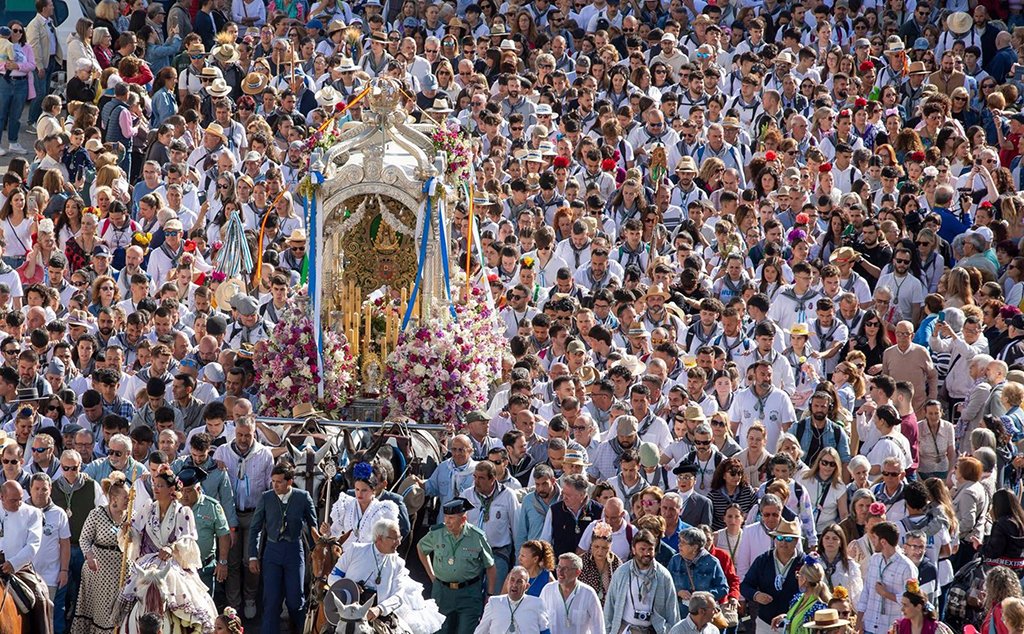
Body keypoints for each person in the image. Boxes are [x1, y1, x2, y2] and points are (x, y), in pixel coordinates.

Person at [115, 465, 217, 632]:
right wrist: (127, 532)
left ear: (171, 489)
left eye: (160, 485)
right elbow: (135, 530)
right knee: (127, 598)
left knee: (194, 602)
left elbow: (188, 538)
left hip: (172, 564)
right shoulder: (148, 507)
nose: (156, 488)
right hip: (148, 562)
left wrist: (172, 548)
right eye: (155, 484)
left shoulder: (182, 512)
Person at [327, 518, 445, 634]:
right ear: (379, 538)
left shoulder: (398, 563)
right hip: (348, 609)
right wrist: (350, 586)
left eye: (399, 538)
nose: (399, 542)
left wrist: (379, 609)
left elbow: (398, 595)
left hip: (378, 612)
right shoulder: (355, 550)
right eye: (394, 538)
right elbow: (333, 577)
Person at [248, 463, 318, 634]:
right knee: (271, 601)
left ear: (290, 482)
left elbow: (312, 527)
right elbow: (255, 528)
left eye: (279, 482)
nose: (275, 485)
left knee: (296, 600)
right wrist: (253, 556)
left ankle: (302, 631)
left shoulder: (303, 497)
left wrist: (316, 553)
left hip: (294, 551)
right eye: (273, 481)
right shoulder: (266, 498)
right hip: (272, 552)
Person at [417, 497, 497, 634]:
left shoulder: (477, 537)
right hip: (442, 593)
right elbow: (421, 548)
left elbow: (490, 566)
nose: (447, 521)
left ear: (463, 519)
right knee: (440, 630)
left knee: (466, 631)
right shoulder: (437, 533)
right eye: (446, 517)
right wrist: (432, 575)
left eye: (452, 518)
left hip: (469, 594)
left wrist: (489, 594)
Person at [70, 471, 128, 634]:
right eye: (126, 498)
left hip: (122, 571)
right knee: (102, 612)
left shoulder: (132, 517)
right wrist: (89, 557)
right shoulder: (97, 514)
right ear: (114, 498)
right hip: (99, 571)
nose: (129, 501)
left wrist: (130, 533)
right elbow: (84, 539)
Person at [604, 530, 680, 633]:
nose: (647, 553)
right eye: (642, 549)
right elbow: (610, 606)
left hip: (654, 630)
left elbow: (672, 610)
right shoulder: (622, 572)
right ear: (634, 550)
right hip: (626, 629)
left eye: (650, 549)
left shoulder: (663, 575)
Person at [740, 518, 804, 634]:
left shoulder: (804, 562)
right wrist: (756, 595)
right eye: (779, 538)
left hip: (795, 623)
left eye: (789, 539)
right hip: (765, 622)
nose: (783, 542)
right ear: (775, 540)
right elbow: (745, 586)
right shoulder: (763, 560)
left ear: (796, 541)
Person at [855, 522, 918, 634]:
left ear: (883, 542)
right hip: (869, 625)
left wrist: (886, 594)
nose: (872, 541)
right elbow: (866, 591)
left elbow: (911, 599)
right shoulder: (874, 559)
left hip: (891, 628)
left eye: (874, 538)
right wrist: (859, 620)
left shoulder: (907, 567)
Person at [326, 460, 399, 544]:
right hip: (347, 554)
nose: (359, 494)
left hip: (371, 555)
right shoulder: (345, 505)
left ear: (373, 490)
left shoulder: (383, 510)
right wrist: (328, 532)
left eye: (364, 490)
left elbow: (390, 539)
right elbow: (335, 534)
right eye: (357, 489)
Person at [539, 552, 605, 634]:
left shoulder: (588, 593)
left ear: (577, 572)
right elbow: (539, 620)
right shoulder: (548, 589)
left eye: (565, 568)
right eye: (559, 567)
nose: (560, 572)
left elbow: (598, 626)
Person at [476, 565, 550, 634]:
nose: (514, 585)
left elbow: (545, 630)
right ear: (507, 583)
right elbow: (481, 631)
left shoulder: (537, 604)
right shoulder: (494, 603)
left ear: (527, 587)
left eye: (519, 582)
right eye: (512, 580)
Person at [771, 558, 832, 634]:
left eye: (798, 575)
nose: (797, 579)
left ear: (804, 579)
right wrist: (785, 617)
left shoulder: (819, 607)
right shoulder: (799, 598)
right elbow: (799, 617)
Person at [579, 520, 621, 605]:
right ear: (591, 545)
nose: (600, 551)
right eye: (596, 546)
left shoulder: (616, 563)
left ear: (610, 547)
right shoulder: (582, 562)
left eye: (604, 548)